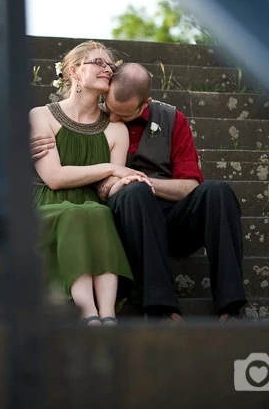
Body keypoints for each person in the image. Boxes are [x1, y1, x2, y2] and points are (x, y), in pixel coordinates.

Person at [31, 61, 247, 323]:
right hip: (126, 219)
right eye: (109, 109)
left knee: (218, 192)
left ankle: (231, 306)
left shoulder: (172, 119)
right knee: (135, 194)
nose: (113, 118)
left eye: (123, 115)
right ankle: (161, 308)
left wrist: (143, 181)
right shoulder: (93, 119)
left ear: (145, 103)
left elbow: (190, 186)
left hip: (170, 217)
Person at [30, 42, 151, 326]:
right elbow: (54, 178)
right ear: (73, 71)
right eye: (98, 62)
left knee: (98, 212)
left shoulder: (116, 129)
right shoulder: (41, 115)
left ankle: (108, 314)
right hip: (49, 202)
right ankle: (88, 312)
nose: (107, 69)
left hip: (92, 202)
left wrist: (127, 180)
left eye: (110, 65)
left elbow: (108, 186)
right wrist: (111, 167)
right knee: (74, 213)